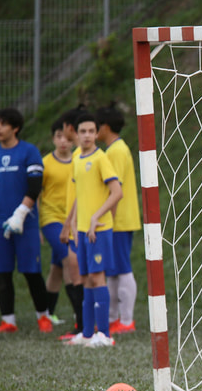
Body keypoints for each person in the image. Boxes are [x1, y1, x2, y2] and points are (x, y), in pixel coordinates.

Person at [0, 108, 53, 333]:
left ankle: (44, 317)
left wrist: (20, 214)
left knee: (31, 271)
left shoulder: (29, 151)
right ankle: (8, 321)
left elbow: (35, 187)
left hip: (25, 223)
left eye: (3, 124)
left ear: (15, 128)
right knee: (2, 272)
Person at [62, 113, 123, 347]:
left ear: (97, 134)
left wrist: (97, 216)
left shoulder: (101, 159)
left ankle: (105, 335)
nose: (87, 135)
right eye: (83, 131)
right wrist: (73, 222)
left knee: (98, 278)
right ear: (76, 134)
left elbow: (117, 192)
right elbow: (80, 194)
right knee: (85, 278)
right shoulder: (77, 158)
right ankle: (87, 334)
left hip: (99, 229)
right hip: (82, 230)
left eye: (91, 131)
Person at [96, 103, 141, 334]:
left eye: (96, 126)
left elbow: (115, 190)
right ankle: (114, 318)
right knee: (112, 270)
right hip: (118, 219)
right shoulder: (116, 149)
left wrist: (108, 219)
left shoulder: (115, 152)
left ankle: (127, 321)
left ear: (104, 127)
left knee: (122, 268)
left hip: (119, 220)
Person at [39, 118, 81, 330]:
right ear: (53, 139)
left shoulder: (79, 160)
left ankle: (48, 313)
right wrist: (37, 227)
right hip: (51, 220)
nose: (63, 141)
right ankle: (79, 313)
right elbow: (36, 195)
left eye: (67, 137)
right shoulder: (45, 163)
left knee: (56, 268)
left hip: (72, 220)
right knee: (69, 259)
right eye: (58, 137)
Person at [55, 105, 89, 339]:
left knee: (80, 276)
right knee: (76, 274)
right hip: (78, 223)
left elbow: (80, 195)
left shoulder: (80, 157)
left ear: (69, 128)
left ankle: (85, 327)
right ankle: (83, 326)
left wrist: (69, 224)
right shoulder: (79, 155)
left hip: (81, 225)